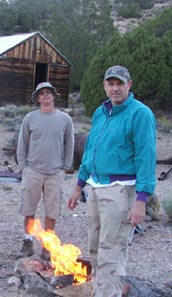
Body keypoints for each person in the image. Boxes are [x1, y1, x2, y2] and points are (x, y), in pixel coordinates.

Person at [67, 65, 157, 297]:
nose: (115, 88)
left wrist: (141, 200)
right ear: (105, 86)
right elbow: (91, 151)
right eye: (111, 84)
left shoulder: (140, 114)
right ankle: (103, 291)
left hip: (121, 190)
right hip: (96, 188)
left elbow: (146, 158)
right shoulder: (101, 112)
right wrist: (79, 185)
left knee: (112, 251)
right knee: (96, 248)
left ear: (129, 85)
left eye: (120, 84)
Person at [17, 82, 74, 258]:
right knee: (29, 208)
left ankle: (48, 245)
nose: (46, 96)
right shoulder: (30, 118)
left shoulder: (65, 119)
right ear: (38, 98)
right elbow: (22, 143)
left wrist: (65, 167)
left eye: (49, 93)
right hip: (32, 170)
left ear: (54, 96)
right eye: (42, 94)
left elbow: (69, 143)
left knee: (52, 210)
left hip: (55, 171)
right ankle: (28, 242)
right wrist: (23, 166)